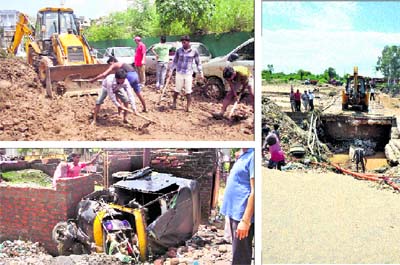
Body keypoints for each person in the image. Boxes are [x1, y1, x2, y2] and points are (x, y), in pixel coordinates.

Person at [220, 148, 254, 265]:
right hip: (234, 211)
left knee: (241, 257)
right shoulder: (244, 154)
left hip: (242, 213)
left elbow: (255, 191)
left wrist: (245, 221)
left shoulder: (253, 156)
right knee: (237, 253)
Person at [168, 35, 204, 112]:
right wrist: (171, 70)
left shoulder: (194, 51)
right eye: (182, 42)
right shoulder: (179, 51)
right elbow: (175, 61)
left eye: (184, 42)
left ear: (188, 42)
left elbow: (198, 63)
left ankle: (188, 107)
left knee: (188, 91)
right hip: (179, 72)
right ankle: (174, 103)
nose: (183, 44)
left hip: (188, 73)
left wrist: (201, 72)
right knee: (177, 89)